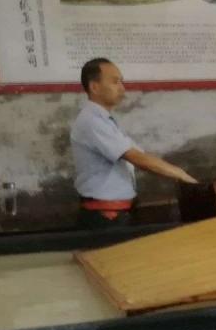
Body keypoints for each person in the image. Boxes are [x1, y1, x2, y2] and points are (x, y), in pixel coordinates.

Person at [70, 57, 197, 229]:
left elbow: (140, 155)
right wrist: (181, 175)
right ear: (94, 87)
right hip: (105, 217)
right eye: (115, 82)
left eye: (121, 82)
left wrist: (175, 173)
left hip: (117, 212)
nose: (122, 88)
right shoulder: (92, 121)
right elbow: (136, 158)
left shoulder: (105, 121)